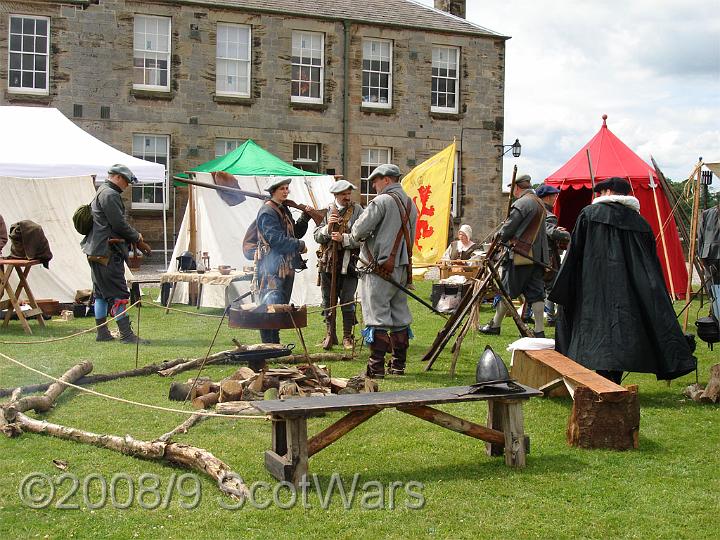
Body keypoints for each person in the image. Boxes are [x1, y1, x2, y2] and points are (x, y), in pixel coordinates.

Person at [550, 177, 696, 383]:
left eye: (601, 192)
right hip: (628, 288)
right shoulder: (640, 222)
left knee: (596, 328)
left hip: (593, 286)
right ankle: (611, 377)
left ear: (609, 191)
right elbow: (650, 262)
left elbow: (575, 253)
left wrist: (566, 285)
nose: (599, 195)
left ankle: (601, 377)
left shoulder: (589, 215)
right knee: (620, 330)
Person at [349, 164, 417, 378]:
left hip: (378, 269)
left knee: (376, 317)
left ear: (386, 180)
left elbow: (358, 230)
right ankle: (398, 365)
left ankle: (376, 367)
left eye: (375, 181)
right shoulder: (411, 204)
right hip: (402, 269)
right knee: (399, 317)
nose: (374, 186)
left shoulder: (381, 202)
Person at [81, 164, 148, 344]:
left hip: (97, 250)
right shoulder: (109, 194)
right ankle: (126, 335)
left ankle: (102, 333)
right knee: (119, 293)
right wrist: (137, 237)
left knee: (101, 294)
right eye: (126, 181)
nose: (126, 186)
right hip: (107, 252)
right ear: (118, 177)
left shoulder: (102, 191)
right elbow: (118, 224)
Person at [480, 174, 549, 338]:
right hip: (536, 257)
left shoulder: (523, 203)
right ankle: (539, 330)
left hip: (520, 255)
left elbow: (508, 229)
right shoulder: (539, 203)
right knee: (536, 293)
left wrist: (497, 236)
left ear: (517, 187)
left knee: (506, 291)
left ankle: (495, 325)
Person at [255, 178, 311, 344]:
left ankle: (275, 342)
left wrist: (305, 217)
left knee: (281, 305)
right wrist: (299, 245)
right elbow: (276, 240)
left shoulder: (283, 209)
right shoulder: (267, 212)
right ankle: (268, 344)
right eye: (282, 189)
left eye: (287, 188)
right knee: (270, 305)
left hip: (286, 266)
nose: (286, 191)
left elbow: (295, 233)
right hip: (271, 268)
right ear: (273, 191)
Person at [313, 179, 364, 350]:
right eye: (344, 194)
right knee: (328, 300)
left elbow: (364, 237)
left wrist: (345, 238)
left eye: (349, 194)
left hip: (349, 264)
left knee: (347, 300)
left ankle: (347, 337)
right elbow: (317, 236)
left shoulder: (358, 211)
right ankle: (330, 334)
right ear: (336, 195)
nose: (347, 197)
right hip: (328, 264)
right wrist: (328, 228)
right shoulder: (328, 211)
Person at [535, 184, 570, 326]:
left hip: (537, 254)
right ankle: (550, 317)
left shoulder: (535, 212)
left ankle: (526, 314)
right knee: (552, 287)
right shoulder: (548, 215)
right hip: (548, 256)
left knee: (535, 287)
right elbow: (551, 233)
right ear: (548, 197)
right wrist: (566, 234)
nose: (555, 198)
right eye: (554, 196)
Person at [697, 202, 720, 318]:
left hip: (709, 253)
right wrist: (700, 254)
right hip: (710, 255)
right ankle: (714, 311)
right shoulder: (707, 214)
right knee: (711, 285)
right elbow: (700, 235)